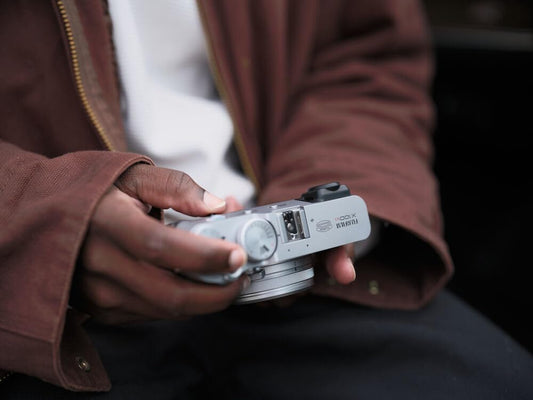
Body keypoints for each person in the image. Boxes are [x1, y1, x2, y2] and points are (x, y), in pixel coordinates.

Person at [0, 0, 531, 398]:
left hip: (300, 282)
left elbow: (366, 51)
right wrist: (48, 227)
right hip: (52, 319)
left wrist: (323, 191)